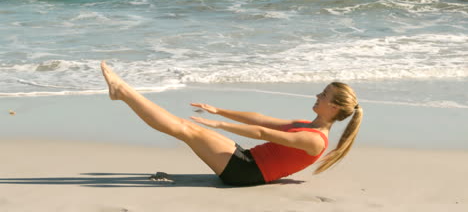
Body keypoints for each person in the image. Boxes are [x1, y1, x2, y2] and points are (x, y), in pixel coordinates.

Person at [100, 61, 363, 186]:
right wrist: (220, 111)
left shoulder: (315, 140)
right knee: (187, 127)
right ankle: (122, 92)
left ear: (334, 107)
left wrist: (219, 125)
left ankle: (123, 92)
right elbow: (260, 119)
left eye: (324, 95)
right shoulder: (307, 125)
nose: (318, 96)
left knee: (184, 129)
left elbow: (261, 131)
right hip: (245, 159)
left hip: (243, 173)